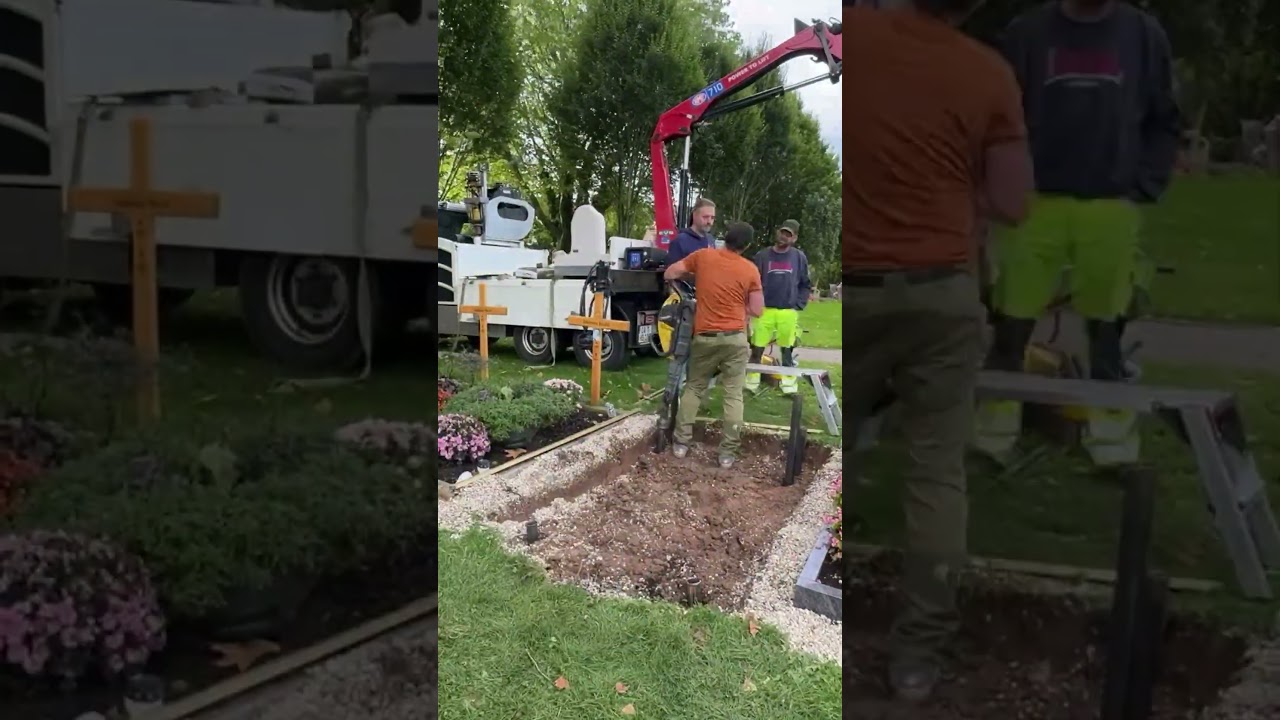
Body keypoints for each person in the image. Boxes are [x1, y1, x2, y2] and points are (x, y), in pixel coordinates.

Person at [845, 0, 1033, 702]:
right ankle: (917, 658)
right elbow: (1014, 201)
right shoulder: (986, 72)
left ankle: (810, 594)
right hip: (942, 296)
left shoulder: (853, 37)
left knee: (835, 446)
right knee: (935, 474)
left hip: (854, 292)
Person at [974, 0, 1181, 467]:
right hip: (1032, 205)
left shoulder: (1143, 35)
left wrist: (1145, 182)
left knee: (1107, 332)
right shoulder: (1027, 34)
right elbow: (995, 116)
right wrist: (1000, 186)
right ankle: (992, 439)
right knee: (1010, 327)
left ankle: (1112, 447)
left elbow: (1165, 117)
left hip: (1110, 207)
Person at [663, 221, 764, 468]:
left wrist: (692, 280)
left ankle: (680, 444)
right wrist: (740, 307)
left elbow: (670, 273)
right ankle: (727, 454)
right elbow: (758, 309)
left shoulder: (703, 256)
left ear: (725, 238)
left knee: (694, 388)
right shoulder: (750, 269)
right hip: (735, 339)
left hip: (705, 337)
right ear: (746, 246)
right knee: (733, 394)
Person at [746, 219, 812, 395]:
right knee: (757, 348)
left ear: (794, 238)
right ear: (778, 232)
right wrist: (752, 303)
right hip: (764, 310)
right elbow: (751, 282)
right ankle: (751, 383)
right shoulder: (762, 256)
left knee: (787, 350)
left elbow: (805, 283)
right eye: (782, 232)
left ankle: (789, 386)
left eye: (788, 235)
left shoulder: (799, 257)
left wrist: (799, 303)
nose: (784, 237)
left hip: (788, 312)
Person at [664, 197, 718, 267]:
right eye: (705, 217)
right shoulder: (680, 241)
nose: (709, 222)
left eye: (712, 218)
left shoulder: (710, 239)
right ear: (694, 215)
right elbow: (671, 271)